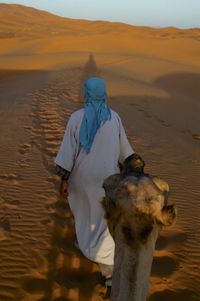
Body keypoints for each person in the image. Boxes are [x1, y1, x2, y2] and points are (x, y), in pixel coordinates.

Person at [55, 77, 134, 286]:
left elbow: (67, 152)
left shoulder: (76, 118)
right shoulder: (114, 117)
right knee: (103, 219)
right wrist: (134, 168)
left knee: (83, 213)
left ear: (86, 94)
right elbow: (125, 149)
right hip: (108, 180)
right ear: (104, 93)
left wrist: (64, 179)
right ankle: (108, 269)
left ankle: (96, 254)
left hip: (81, 178)